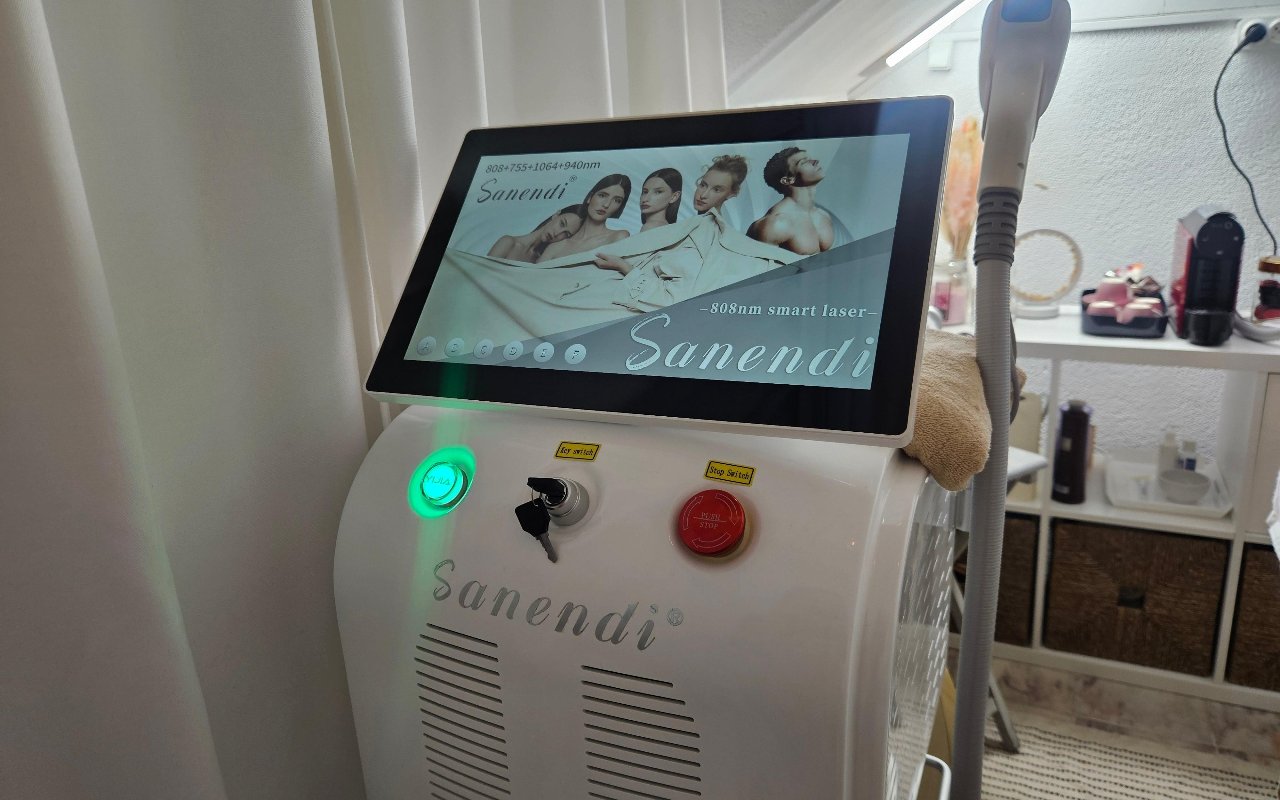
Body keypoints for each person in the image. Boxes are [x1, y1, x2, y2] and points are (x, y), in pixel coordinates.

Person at [747, 147, 834, 255]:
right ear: (787, 180)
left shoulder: (823, 216)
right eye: (804, 162)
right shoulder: (776, 224)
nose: (815, 161)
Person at [537, 174, 631, 262]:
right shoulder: (555, 247)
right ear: (590, 197)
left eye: (617, 201)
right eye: (602, 195)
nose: (606, 204)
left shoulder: (618, 237)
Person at [486, 205, 584, 263]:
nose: (557, 233)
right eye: (562, 223)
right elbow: (481, 280)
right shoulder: (508, 243)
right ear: (556, 215)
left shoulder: (541, 260)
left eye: (566, 234)